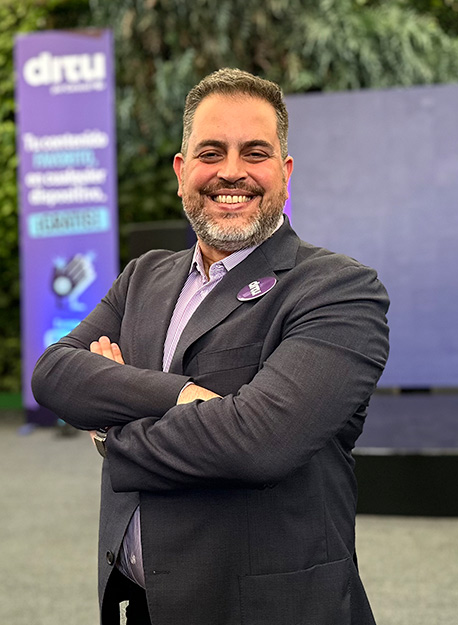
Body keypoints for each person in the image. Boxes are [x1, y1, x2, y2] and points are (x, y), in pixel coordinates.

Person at [31, 68, 389, 625]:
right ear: (182, 172)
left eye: (255, 153)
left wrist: (109, 430)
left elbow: (260, 443)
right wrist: (184, 398)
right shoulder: (143, 276)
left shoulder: (339, 290)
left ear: (285, 173)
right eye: (211, 152)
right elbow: (54, 374)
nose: (231, 171)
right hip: (140, 605)